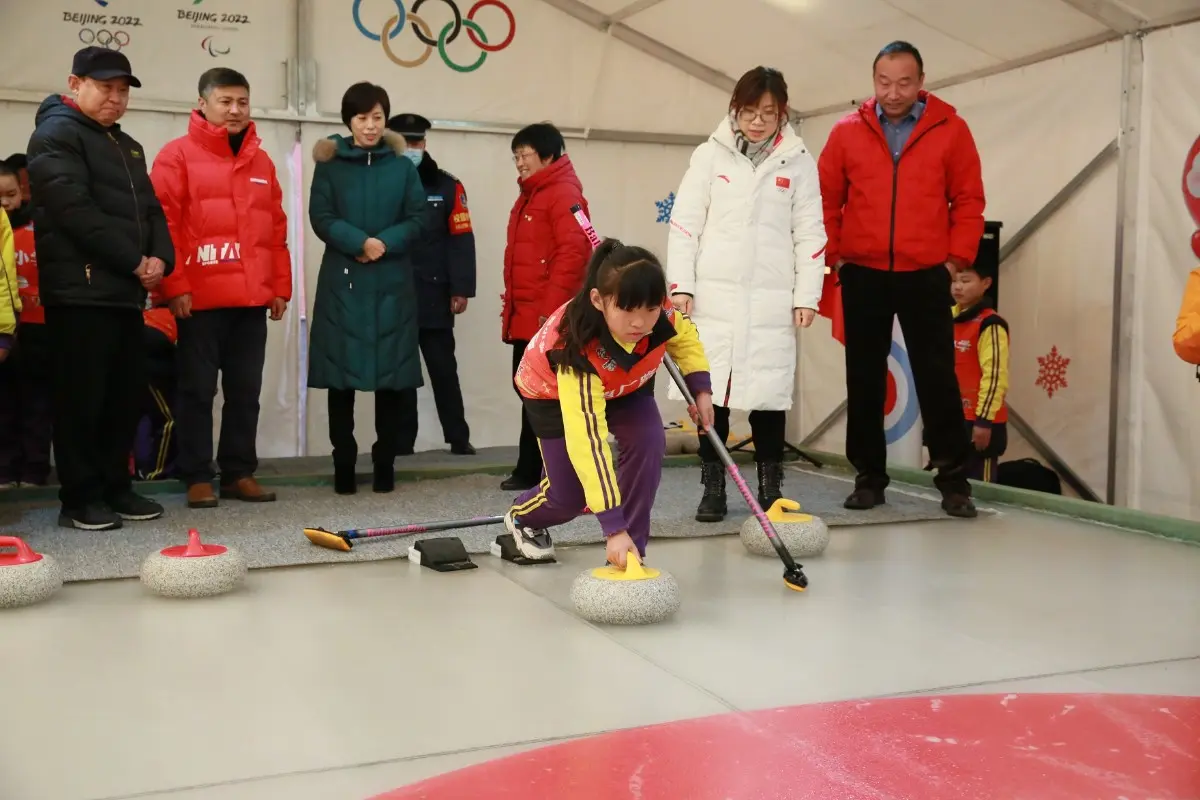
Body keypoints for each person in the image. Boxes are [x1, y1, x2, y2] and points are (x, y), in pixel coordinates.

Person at [817, 40, 985, 518]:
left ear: (921, 82)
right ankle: (869, 478)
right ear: (873, 82)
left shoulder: (951, 129)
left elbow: (969, 200)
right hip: (863, 271)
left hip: (926, 272)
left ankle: (954, 481)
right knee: (864, 378)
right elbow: (825, 198)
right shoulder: (847, 131)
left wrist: (954, 261)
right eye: (884, 82)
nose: (893, 92)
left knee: (938, 377)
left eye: (904, 82)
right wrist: (837, 257)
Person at [666, 66, 826, 522]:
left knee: (768, 394)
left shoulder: (798, 162)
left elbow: (809, 232)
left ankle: (770, 490)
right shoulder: (709, 156)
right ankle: (713, 486)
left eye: (768, 113)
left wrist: (806, 295)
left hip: (770, 300)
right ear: (735, 110)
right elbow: (685, 224)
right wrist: (681, 285)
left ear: (783, 114)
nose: (757, 121)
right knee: (709, 395)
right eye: (750, 111)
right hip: (712, 300)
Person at [26, 46, 174, 530]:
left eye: (122, 91)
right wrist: (136, 261)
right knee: (81, 400)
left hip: (124, 294)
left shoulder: (127, 145)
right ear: (75, 84)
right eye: (105, 88)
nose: (116, 99)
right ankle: (80, 499)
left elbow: (151, 210)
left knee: (122, 397)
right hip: (79, 292)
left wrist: (160, 260)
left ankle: (116, 487)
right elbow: (75, 212)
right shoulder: (55, 135)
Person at [505, 239, 715, 564]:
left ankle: (631, 552)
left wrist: (701, 390)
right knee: (570, 497)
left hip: (625, 385)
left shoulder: (662, 313)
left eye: (650, 310)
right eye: (627, 310)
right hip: (552, 392)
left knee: (648, 441)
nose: (640, 323)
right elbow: (589, 441)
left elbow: (685, 339)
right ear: (598, 301)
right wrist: (611, 526)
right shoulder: (574, 349)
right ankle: (522, 518)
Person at [150, 67, 291, 509]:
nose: (234, 110)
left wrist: (279, 286)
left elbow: (275, 230)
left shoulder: (262, 162)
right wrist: (174, 285)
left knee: (245, 391)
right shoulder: (175, 156)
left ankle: (238, 472)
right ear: (203, 104)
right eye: (225, 101)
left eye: (242, 102)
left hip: (251, 299)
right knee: (196, 392)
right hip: (198, 301)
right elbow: (163, 224)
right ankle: (195, 475)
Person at [308, 82, 427, 495]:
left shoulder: (401, 167)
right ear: (348, 121)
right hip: (344, 282)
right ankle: (343, 463)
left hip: (392, 280)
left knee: (391, 379)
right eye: (362, 118)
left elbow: (418, 217)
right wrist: (358, 242)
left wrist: (383, 244)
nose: (370, 126)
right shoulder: (331, 162)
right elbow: (320, 216)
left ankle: (384, 463)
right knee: (340, 380)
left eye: (377, 117)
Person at [500, 122, 591, 492]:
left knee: (544, 395)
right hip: (529, 314)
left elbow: (575, 254)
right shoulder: (532, 194)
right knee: (530, 389)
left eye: (525, 155)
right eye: (516, 156)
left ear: (549, 155)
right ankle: (532, 467)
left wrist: (549, 314)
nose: (519, 162)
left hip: (546, 318)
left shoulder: (563, 193)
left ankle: (541, 470)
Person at [386, 112, 477, 456]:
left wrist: (461, 288)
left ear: (425, 144)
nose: (412, 148)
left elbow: (461, 238)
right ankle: (402, 441)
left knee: (443, 368)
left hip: (434, 293)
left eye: (417, 142)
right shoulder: (380, 184)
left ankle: (457, 437)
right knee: (401, 373)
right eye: (405, 142)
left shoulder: (447, 185)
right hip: (394, 293)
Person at [0, 161, 52, 487]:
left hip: (38, 328)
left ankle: (35, 470)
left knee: (37, 403)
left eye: (11, 194)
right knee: (4, 405)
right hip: (4, 331)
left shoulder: (40, 229)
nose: (5, 202)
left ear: (22, 193)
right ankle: (5, 470)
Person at [950, 264, 1008, 482]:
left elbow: (994, 376)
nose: (957, 287)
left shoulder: (991, 324)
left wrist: (984, 421)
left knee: (979, 491)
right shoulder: (947, 319)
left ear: (986, 283)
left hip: (979, 421)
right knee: (952, 486)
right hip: (952, 417)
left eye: (965, 281)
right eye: (954, 281)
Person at [134, 291, 179, 481]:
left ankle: (140, 467)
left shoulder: (149, 316)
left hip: (136, 366)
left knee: (142, 418)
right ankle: (156, 471)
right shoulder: (174, 317)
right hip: (152, 368)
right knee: (169, 419)